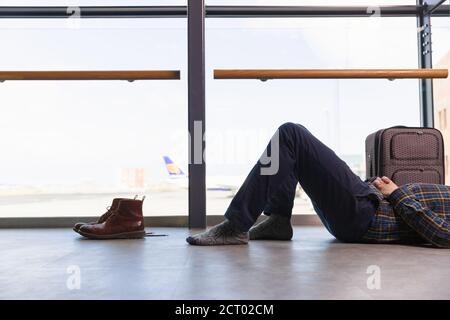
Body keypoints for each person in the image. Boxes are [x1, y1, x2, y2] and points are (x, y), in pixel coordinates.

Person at [186, 122, 450, 248]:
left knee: (292, 135)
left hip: (367, 215)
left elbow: (441, 234)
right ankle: (278, 221)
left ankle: (236, 226)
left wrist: (397, 193)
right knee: (295, 152)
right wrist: (386, 187)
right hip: (369, 203)